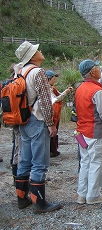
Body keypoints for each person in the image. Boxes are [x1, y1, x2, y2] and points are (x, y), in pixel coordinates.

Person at [14, 41, 61, 213]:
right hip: (36, 119)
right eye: (37, 50)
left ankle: (22, 199)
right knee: (40, 162)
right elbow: (45, 101)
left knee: (25, 160)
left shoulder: (20, 71)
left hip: (23, 120)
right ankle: (39, 202)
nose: (40, 51)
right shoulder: (38, 72)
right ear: (33, 56)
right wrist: (51, 124)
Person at [75, 59, 102, 205]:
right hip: (94, 132)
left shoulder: (79, 88)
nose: (99, 69)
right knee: (96, 163)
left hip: (81, 132)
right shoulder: (96, 91)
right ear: (91, 72)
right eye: (97, 67)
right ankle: (93, 195)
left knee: (85, 162)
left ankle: (82, 194)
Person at [46, 70, 73, 157]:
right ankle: (50, 151)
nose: (54, 80)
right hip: (51, 114)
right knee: (51, 132)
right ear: (48, 79)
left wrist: (65, 92)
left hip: (55, 113)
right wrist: (65, 93)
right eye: (53, 79)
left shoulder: (53, 88)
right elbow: (55, 99)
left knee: (54, 131)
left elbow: (58, 96)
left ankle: (53, 150)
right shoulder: (46, 89)